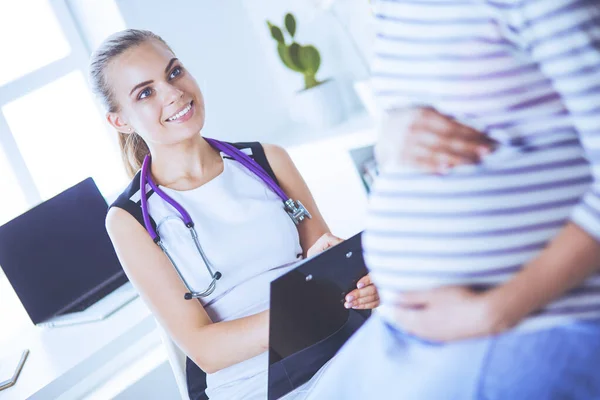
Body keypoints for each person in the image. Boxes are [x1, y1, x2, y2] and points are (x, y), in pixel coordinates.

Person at [307, 0, 600, 399]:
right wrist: (392, 136)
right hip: (413, 325)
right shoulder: (396, 9)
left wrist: (497, 310)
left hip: (538, 318)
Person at [89, 29, 381, 400]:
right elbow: (205, 350)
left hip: (338, 348)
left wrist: (359, 286)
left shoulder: (268, 160)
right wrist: (301, 309)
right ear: (120, 121)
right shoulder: (129, 220)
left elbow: (324, 264)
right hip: (258, 386)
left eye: (174, 72)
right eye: (145, 93)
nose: (174, 92)